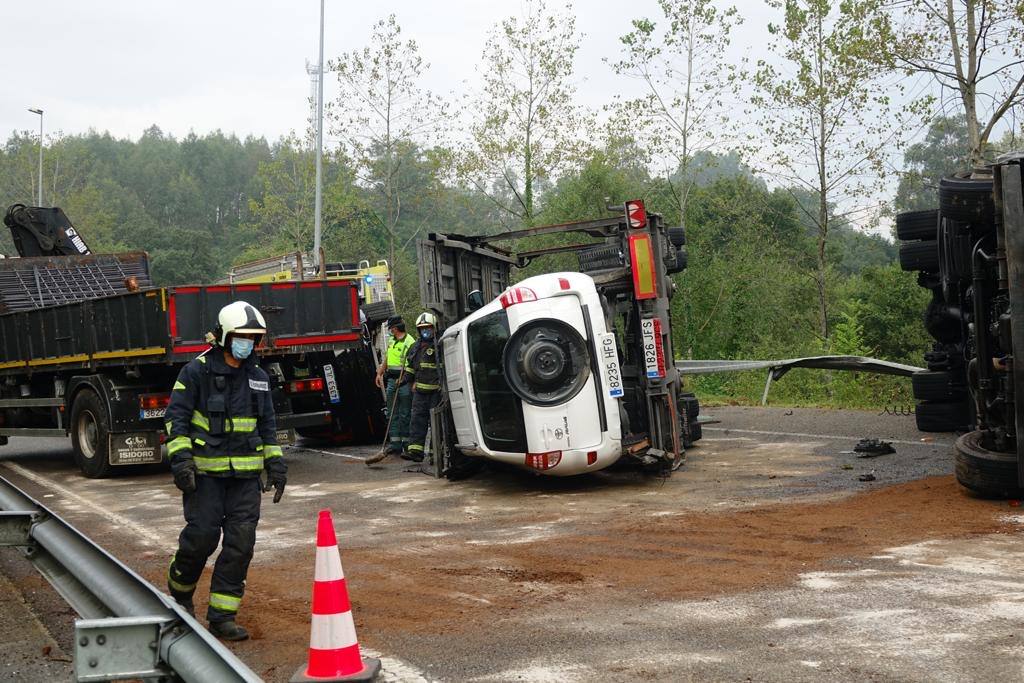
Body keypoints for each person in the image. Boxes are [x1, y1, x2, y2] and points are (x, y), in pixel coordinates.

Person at [165, 301, 287, 641]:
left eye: (254, 338)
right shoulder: (196, 372)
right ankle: (179, 594)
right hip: (205, 478)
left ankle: (222, 616)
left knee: (240, 545)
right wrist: (182, 461)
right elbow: (175, 419)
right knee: (201, 539)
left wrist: (275, 464)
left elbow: (267, 425)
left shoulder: (259, 377)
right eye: (242, 337)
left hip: (246, 482)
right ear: (224, 336)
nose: (248, 344)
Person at [367, 316, 415, 463]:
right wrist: (379, 373)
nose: (390, 330)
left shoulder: (410, 342)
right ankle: (395, 444)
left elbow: (413, 364)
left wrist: (408, 379)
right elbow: (387, 358)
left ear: (396, 327)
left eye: (392, 328)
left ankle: (407, 444)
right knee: (391, 412)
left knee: (405, 413)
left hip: (404, 381)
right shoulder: (392, 340)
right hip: (392, 381)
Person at [403, 312, 441, 464]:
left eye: (428, 328)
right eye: (422, 328)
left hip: (437, 392)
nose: (426, 331)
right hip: (420, 392)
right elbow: (411, 368)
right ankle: (416, 452)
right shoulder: (415, 347)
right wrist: (406, 380)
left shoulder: (440, 344)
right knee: (417, 420)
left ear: (434, 328)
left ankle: (435, 454)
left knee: (437, 424)